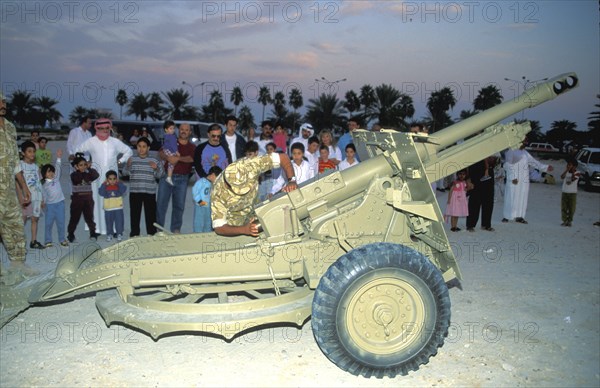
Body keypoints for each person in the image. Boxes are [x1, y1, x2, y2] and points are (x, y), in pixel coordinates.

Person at [211, 150, 298, 237]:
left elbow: (283, 157)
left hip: (255, 206)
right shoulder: (218, 194)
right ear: (228, 186)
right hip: (236, 223)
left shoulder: (250, 164)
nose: (246, 192)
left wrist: (292, 180)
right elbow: (219, 228)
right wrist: (244, 230)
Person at [0, 91, 38, 279]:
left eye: (4, 100)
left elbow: (15, 161)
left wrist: (23, 187)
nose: (2, 103)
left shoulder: (9, 127)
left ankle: (18, 264)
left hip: (7, 190)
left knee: (14, 224)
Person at [75, 118, 132, 235]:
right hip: (96, 178)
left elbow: (129, 151)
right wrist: (86, 164)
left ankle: (115, 230)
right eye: (101, 128)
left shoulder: (115, 142)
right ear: (97, 128)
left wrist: (120, 161)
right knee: (96, 202)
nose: (105, 130)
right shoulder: (91, 141)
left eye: (107, 128)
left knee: (113, 201)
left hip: (112, 179)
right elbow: (77, 151)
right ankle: (96, 229)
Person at [156, 122, 196, 233]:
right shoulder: (171, 140)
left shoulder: (192, 147)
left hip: (182, 179)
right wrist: (168, 157)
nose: (184, 131)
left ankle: (176, 229)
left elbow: (191, 159)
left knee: (179, 206)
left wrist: (178, 159)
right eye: (182, 129)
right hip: (166, 177)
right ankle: (159, 229)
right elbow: (160, 152)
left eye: (186, 130)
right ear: (179, 130)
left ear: (190, 132)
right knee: (161, 205)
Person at [502, 139, 553, 224]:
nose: (525, 143)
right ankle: (507, 216)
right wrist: (513, 177)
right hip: (514, 179)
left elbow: (534, 162)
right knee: (511, 197)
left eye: (526, 142)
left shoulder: (525, 153)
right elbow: (507, 165)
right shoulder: (511, 151)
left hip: (524, 180)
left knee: (522, 198)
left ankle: (519, 216)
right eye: (524, 141)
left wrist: (546, 167)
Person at [122, 137, 164, 237]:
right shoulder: (132, 159)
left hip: (149, 192)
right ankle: (135, 233)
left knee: (150, 214)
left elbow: (161, 175)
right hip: (135, 191)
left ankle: (151, 232)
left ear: (148, 148)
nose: (141, 149)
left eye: (144, 147)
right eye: (139, 146)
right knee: (135, 213)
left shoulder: (154, 160)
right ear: (136, 147)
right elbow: (124, 173)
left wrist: (156, 168)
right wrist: (128, 166)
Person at [17, 141, 44, 249]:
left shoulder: (36, 167)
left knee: (35, 219)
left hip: (36, 197)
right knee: (22, 219)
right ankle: (18, 242)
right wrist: (20, 198)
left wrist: (42, 198)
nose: (32, 154)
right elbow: (17, 184)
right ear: (23, 153)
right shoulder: (19, 166)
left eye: (33, 151)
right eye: (29, 151)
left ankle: (33, 241)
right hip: (25, 198)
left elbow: (39, 183)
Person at [67, 154, 100, 242]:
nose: (83, 167)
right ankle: (70, 234)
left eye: (85, 164)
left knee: (89, 217)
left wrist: (89, 168)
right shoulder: (74, 175)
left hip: (88, 200)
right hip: (77, 201)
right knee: (74, 218)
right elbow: (77, 179)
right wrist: (80, 171)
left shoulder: (88, 173)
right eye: (81, 165)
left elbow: (96, 175)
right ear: (76, 166)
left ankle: (93, 232)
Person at [41, 149, 68, 247]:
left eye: (52, 172)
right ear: (44, 174)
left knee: (61, 223)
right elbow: (43, 195)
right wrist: (42, 202)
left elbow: (58, 168)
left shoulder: (56, 179)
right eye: (48, 172)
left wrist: (59, 158)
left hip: (60, 204)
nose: (51, 173)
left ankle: (62, 239)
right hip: (50, 207)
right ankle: (48, 240)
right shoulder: (44, 185)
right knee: (48, 224)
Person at [467, 157, 496, 232]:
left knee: (489, 201)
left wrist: (491, 161)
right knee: (474, 201)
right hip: (476, 173)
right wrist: (468, 180)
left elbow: (496, 161)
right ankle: (470, 225)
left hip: (489, 175)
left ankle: (486, 224)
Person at [98, 170, 127, 241]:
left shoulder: (118, 186)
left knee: (119, 221)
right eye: (110, 179)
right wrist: (104, 184)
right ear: (107, 179)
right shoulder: (105, 186)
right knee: (109, 222)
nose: (112, 181)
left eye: (114, 179)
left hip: (118, 207)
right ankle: (109, 234)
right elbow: (101, 193)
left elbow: (123, 190)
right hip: (108, 208)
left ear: (116, 179)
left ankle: (119, 233)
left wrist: (119, 183)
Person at [192, 166, 222, 233]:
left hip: (208, 206)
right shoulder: (201, 182)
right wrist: (200, 201)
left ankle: (207, 233)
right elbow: (195, 191)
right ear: (213, 175)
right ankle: (197, 234)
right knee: (199, 221)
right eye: (217, 178)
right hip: (200, 206)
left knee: (208, 221)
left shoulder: (212, 184)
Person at [560, 158, 580, 227]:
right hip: (565, 191)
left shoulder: (577, 173)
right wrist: (567, 170)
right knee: (564, 207)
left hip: (573, 193)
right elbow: (562, 177)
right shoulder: (566, 172)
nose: (568, 166)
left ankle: (569, 221)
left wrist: (572, 171)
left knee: (572, 208)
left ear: (574, 166)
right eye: (567, 165)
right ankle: (564, 220)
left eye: (570, 165)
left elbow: (572, 179)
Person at [162, 120, 179, 186]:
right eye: (170, 128)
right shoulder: (171, 136)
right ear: (166, 129)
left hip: (166, 150)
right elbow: (173, 145)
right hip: (170, 150)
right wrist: (177, 152)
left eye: (173, 128)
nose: (173, 130)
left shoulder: (166, 136)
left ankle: (167, 175)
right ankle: (169, 177)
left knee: (166, 162)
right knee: (172, 163)